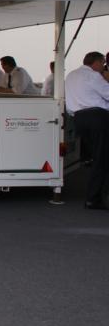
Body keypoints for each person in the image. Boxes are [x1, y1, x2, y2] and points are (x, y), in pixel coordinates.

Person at [65, 52, 109, 210]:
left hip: (79, 119)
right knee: (102, 159)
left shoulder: (71, 75)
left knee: (96, 157)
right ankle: (93, 198)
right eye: (102, 63)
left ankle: (94, 197)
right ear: (96, 62)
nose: (103, 67)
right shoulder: (93, 76)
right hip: (97, 118)